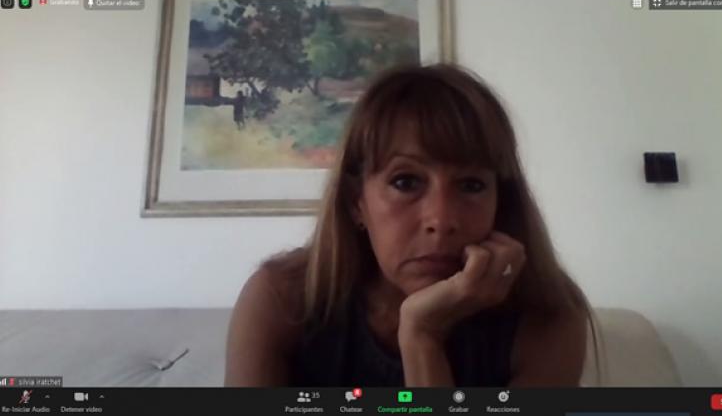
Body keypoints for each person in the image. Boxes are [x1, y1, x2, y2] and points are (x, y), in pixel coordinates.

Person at [225, 63, 601, 387]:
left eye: (471, 185)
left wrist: (422, 336)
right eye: (406, 182)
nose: (441, 220)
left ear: (500, 203)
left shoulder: (548, 317)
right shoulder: (280, 299)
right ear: (357, 203)